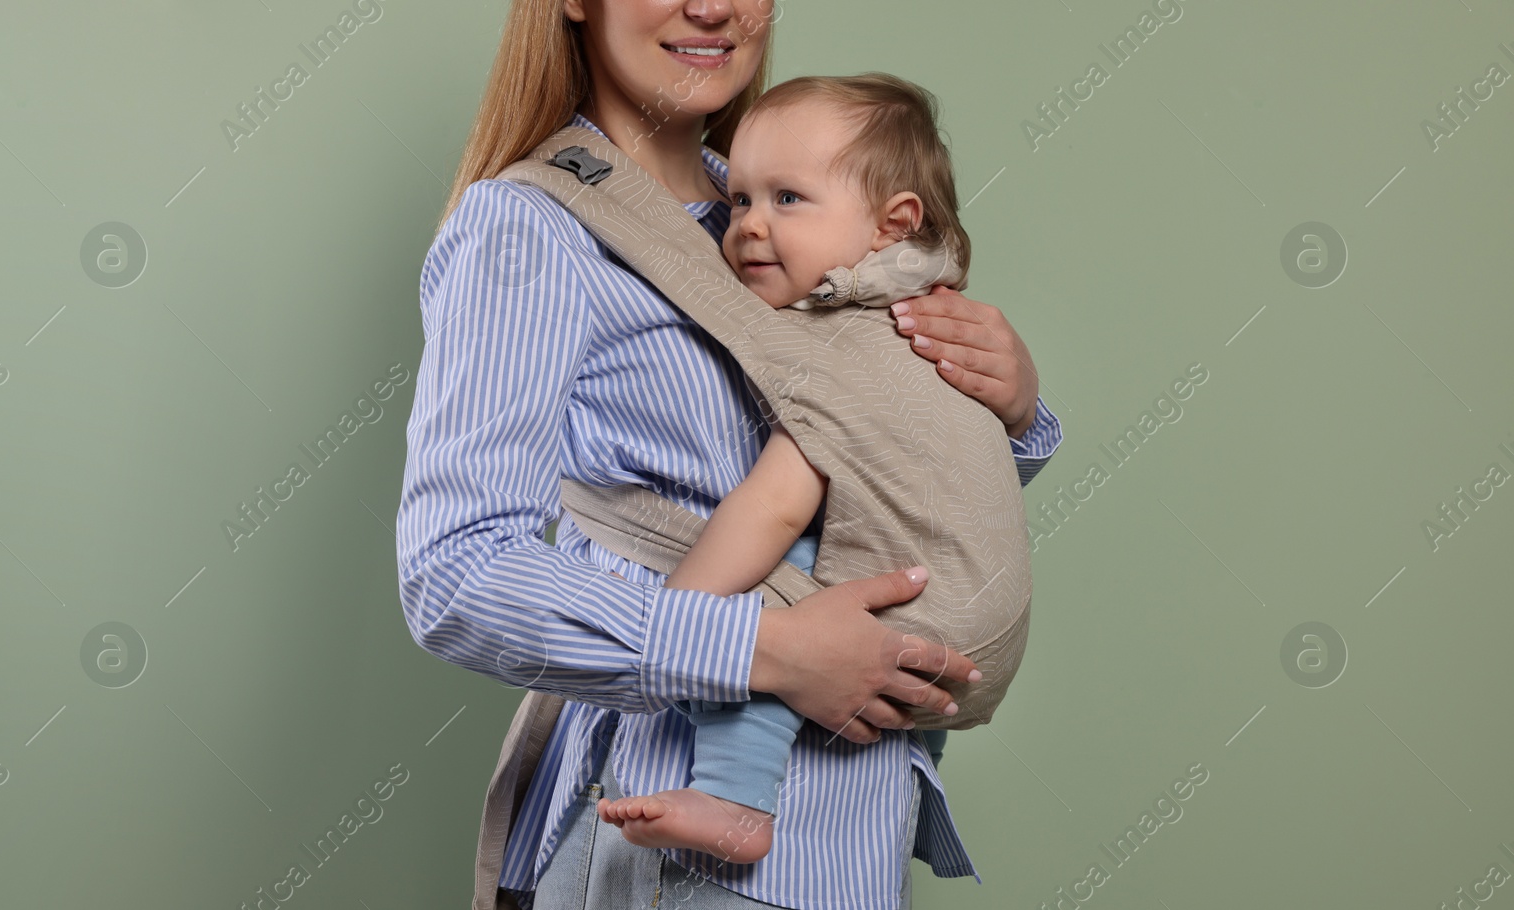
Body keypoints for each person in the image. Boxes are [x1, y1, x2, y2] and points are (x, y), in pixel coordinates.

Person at [396, 1, 1063, 907]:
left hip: (853, 829)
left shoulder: (795, 194)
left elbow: (872, 478)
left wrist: (1013, 409)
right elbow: (456, 574)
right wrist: (766, 649)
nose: (711, 4)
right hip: (679, 836)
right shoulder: (531, 229)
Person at [591, 70, 1029, 866]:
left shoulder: (836, 346)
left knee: (775, 584)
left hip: (927, 625)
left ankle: (734, 798)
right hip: (971, 627)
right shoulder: (920, 311)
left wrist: (681, 620)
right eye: (742, 200)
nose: (750, 226)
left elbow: (773, 506)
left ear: (891, 224)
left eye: (787, 200)